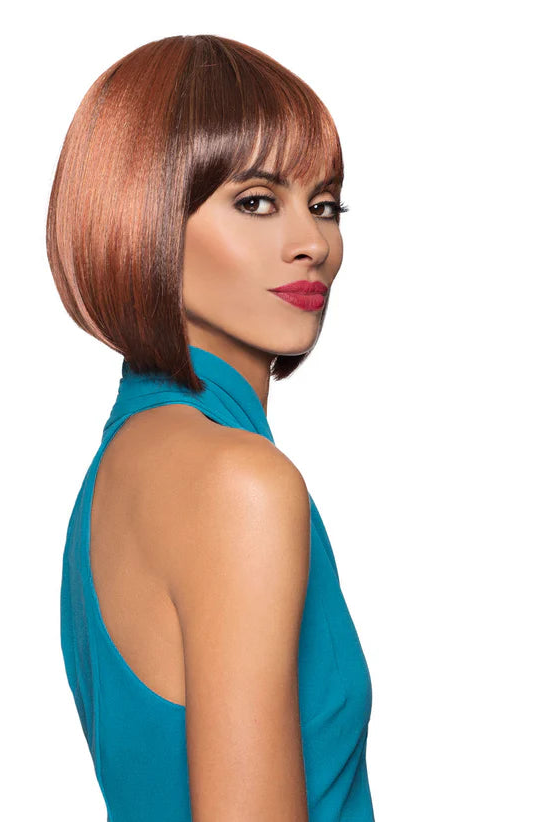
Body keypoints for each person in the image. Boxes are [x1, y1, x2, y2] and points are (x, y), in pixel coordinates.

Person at [47, 33, 375, 821]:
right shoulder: (236, 483)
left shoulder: (127, 463)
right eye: (256, 201)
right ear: (143, 215)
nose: (313, 244)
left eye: (324, 204)